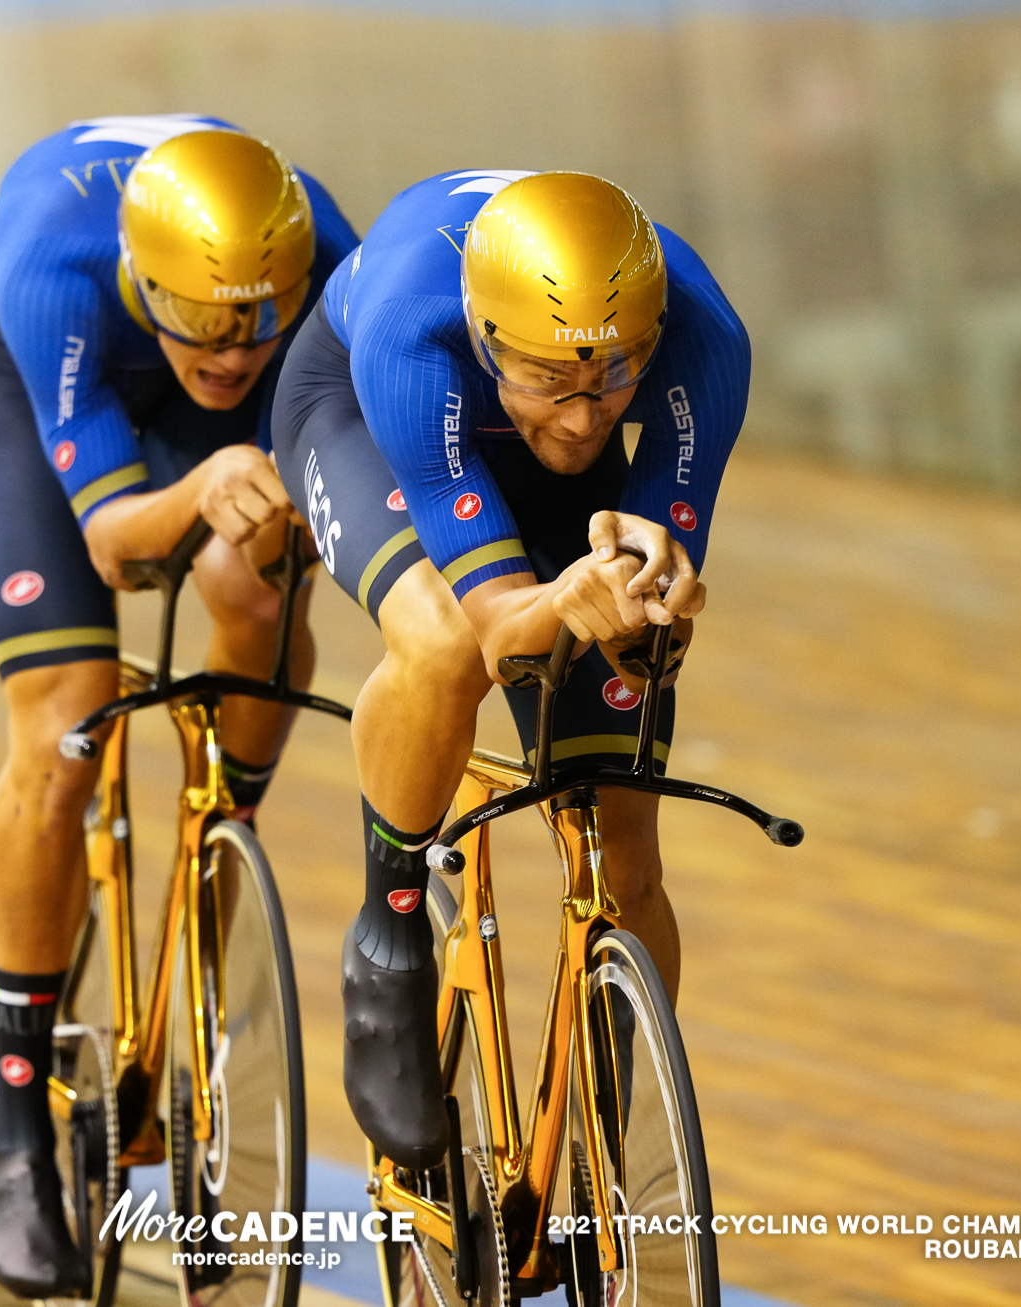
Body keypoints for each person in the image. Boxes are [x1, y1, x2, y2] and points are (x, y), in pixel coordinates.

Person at [0, 115, 358, 1296]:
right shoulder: (53, 264)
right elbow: (117, 551)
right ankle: (20, 1119)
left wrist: (261, 505)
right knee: (66, 723)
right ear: (140, 278)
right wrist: (193, 482)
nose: (226, 352)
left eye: (253, 322)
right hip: (62, 395)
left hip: (225, 416)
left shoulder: (328, 266)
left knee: (260, 572)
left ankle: (220, 827)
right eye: (196, 319)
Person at [272, 170, 747, 1168]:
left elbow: (652, 575)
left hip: (517, 428)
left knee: (625, 841)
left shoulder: (704, 339)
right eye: (547, 376)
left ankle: (607, 1132)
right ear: (487, 338)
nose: (582, 420)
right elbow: (500, 636)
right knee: (444, 642)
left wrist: (654, 594)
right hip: (367, 418)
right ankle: (388, 933)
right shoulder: (414, 326)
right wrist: (556, 599)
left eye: (614, 376)